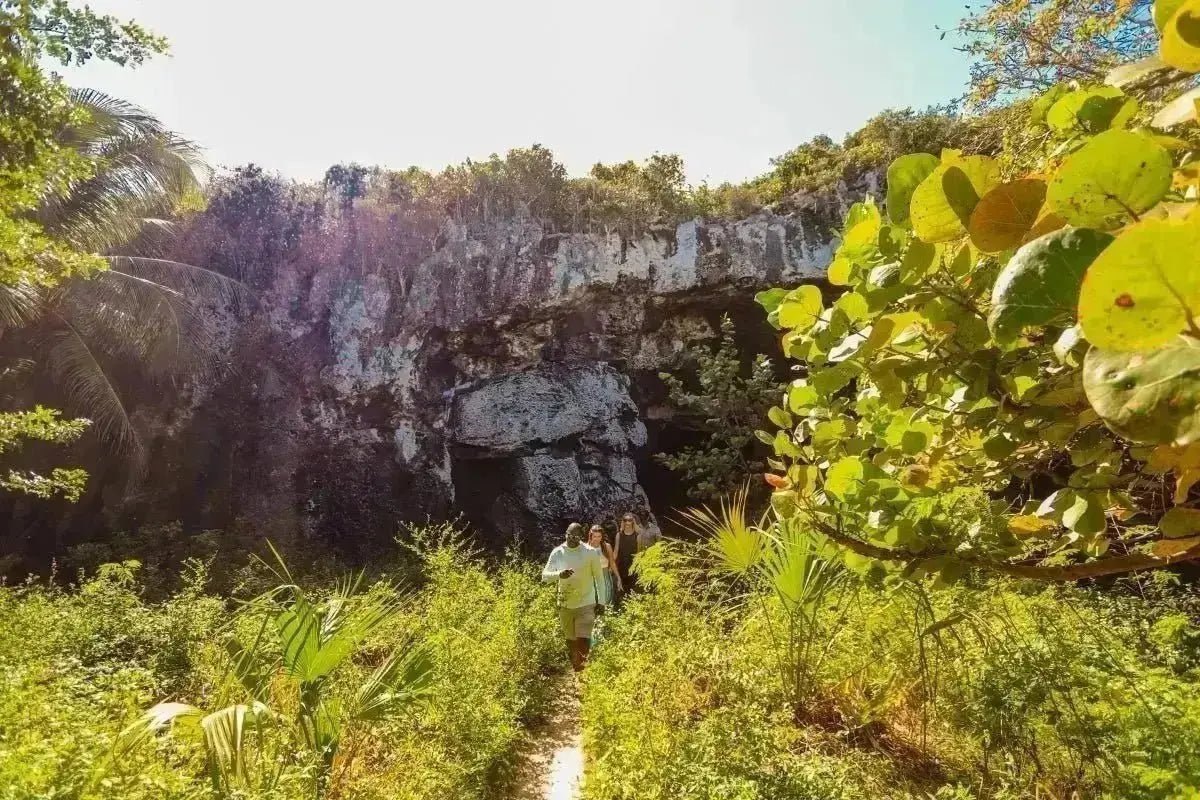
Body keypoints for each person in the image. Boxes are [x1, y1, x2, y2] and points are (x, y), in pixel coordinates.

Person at [541, 522, 608, 672]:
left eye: (575, 536)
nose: (571, 539)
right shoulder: (558, 552)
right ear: (565, 534)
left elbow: (599, 578)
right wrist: (559, 575)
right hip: (565, 604)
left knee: (583, 638)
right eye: (569, 535)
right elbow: (545, 576)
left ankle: (582, 671)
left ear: (581, 537)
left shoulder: (590, 552)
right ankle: (575, 669)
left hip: (586, 602)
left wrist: (601, 602)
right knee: (570, 641)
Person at [588, 523, 622, 606]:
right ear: (591, 536)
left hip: (605, 576)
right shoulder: (586, 548)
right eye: (594, 536)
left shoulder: (607, 547)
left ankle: (605, 616)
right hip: (591, 577)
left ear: (602, 536)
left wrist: (618, 577)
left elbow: (612, 563)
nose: (597, 539)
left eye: (599, 536)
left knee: (606, 600)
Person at [612, 511, 645, 594]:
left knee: (632, 592)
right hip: (621, 567)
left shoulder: (638, 536)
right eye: (625, 520)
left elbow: (639, 554)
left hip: (633, 568)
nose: (627, 522)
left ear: (633, 521)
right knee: (621, 591)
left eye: (629, 520)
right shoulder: (618, 535)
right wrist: (610, 566)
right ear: (623, 521)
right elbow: (615, 552)